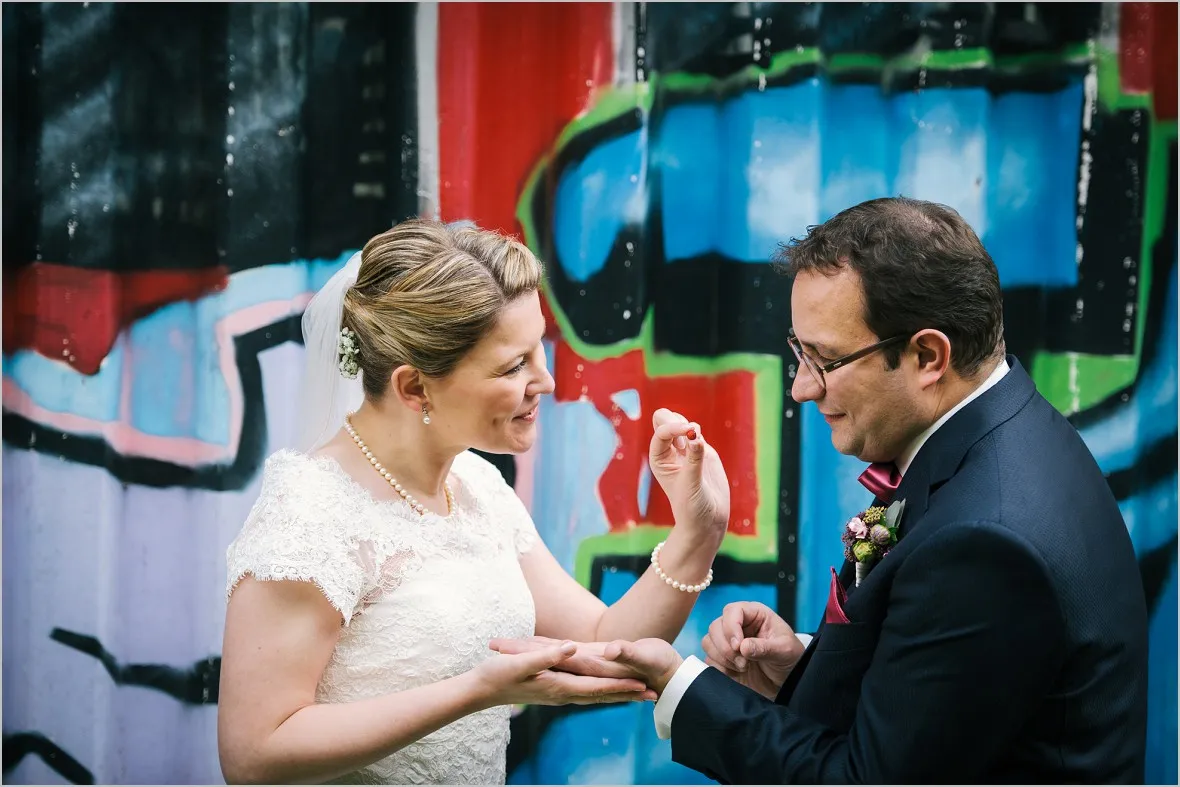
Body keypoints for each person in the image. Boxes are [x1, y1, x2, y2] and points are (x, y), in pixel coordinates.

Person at [501, 197, 1150, 783]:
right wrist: (806, 667)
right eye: (798, 353)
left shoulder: (986, 539)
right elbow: (950, 701)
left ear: (928, 357)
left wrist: (682, 687)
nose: (801, 387)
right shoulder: (1012, 434)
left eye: (826, 360)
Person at [216, 219, 732, 784]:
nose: (547, 381)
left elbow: (606, 642)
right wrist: (477, 691)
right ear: (414, 388)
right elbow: (255, 753)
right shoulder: (310, 516)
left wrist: (698, 531)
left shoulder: (476, 485)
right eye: (514, 366)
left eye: (539, 349)